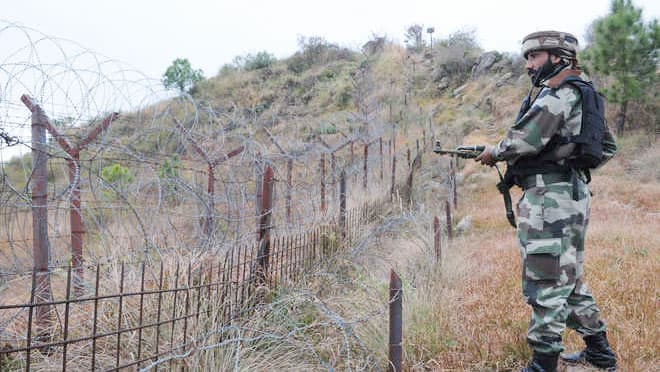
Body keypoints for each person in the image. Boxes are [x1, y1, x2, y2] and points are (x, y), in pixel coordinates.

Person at [475, 31, 618, 372]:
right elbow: (607, 147)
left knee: (546, 281)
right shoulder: (586, 95)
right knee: (567, 277)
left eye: (534, 57)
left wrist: (494, 152)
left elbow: (522, 141)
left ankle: (544, 363)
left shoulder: (556, 97)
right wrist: (569, 164)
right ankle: (600, 354)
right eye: (527, 58)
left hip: (548, 201)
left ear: (558, 57)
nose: (528, 65)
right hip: (572, 195)